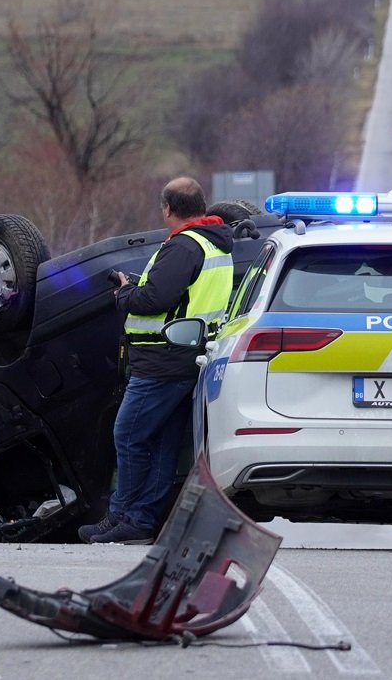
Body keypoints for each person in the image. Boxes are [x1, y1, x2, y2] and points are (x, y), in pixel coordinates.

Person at [79, 177, 233, 545]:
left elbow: (156, 300)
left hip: (161, 361)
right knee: (164, 443)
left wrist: (125, 293)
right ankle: (143, 520)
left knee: (128, 435)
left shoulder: (182, 246)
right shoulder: (215, 245)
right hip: (187, 359)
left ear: (167, 209)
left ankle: (122, 516)